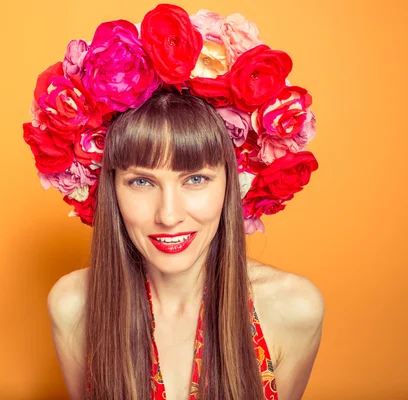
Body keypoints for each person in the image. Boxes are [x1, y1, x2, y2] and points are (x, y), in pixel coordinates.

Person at [24, 4, 324, 399]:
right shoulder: (74, 306)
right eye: (142, 182)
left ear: (233, 184)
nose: (168, 215)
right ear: (109, 186)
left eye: (196, 179)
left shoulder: (293, 309)